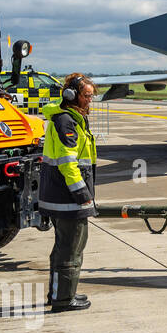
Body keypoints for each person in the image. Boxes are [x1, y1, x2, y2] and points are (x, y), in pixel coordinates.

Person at [38, 73, 98, 313]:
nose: (89, 101)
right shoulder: (66, 122)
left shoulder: (69, 118)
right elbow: (67, 163)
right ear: (71, 95)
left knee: (63, 247)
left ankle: (59, 293)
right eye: (86, 96)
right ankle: (64, 300)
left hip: (60, 195)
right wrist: (82, 194)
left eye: (91, 96)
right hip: (68, 198)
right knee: (71, 249)